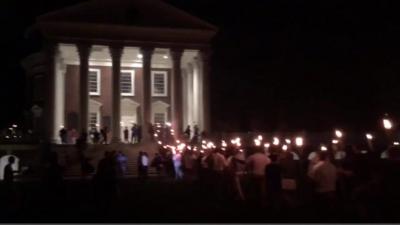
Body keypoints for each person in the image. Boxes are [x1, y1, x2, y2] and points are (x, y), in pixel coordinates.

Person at [308, 151, 337, 219]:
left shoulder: (318, 167)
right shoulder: (333, 166)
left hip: (321, 192)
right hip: (332, 191)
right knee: (331, 213)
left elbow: (316, 180)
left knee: (322, 213)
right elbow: (336, 178)